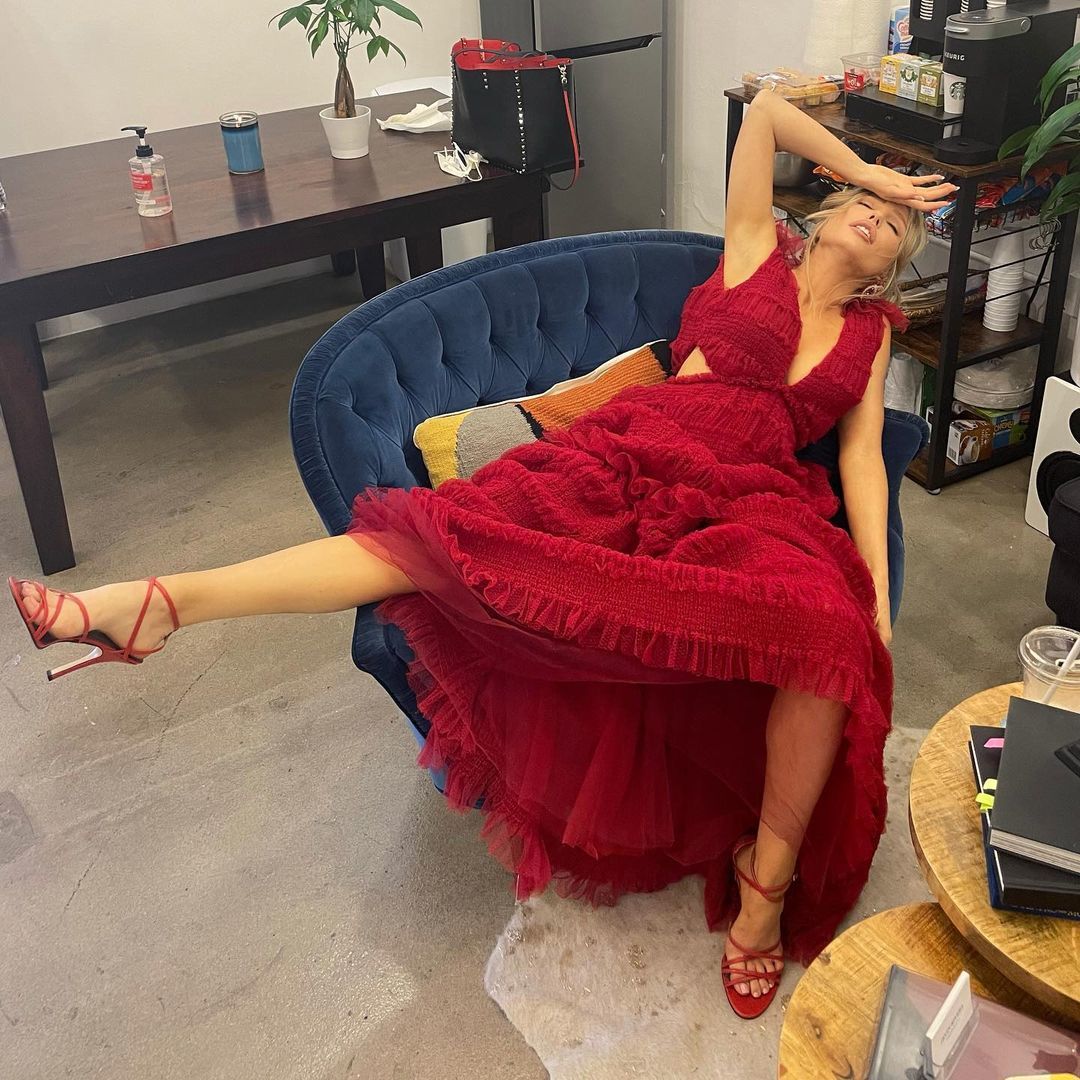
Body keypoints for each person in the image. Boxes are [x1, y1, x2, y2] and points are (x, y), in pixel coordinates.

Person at [9, 89, 955, 1020]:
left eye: (893, 225)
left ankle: (764, 891)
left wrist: (872, 591)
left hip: (755, 501)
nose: (876, 215)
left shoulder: (867, 338)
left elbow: (860, 463)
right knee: (435, 543)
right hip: (635, 454)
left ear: (890, 269)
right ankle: (160, 603)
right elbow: (767, 114)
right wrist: (878, 172)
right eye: (864, 201)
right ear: (830, 205)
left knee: (830, 639)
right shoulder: (753, 252)